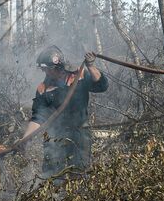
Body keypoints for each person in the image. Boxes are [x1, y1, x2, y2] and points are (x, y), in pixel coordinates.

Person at [15, 45, 108, 179]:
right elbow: (37, 118)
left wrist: (91, 66)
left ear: (58, 66)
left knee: (79, 174)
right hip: (53, 139)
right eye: (44, 69)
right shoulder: (43, 88)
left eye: (48, 69)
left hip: (79, 135)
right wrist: (25, 139)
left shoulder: (79, 76)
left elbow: (102, 85)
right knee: (51, 177)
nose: (46, 73)